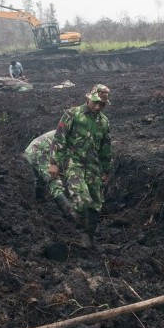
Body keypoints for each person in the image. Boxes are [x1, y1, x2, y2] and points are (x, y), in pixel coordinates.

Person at [49, 84, 112, 249]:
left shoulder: (104, 122)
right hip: (74, 162)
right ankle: (82, 233)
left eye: (102, 104)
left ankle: (90, 237)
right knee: (82, 200)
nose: (98, 107)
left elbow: (106, 148)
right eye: (95, 103)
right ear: (88, 98)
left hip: (93, 166)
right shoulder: (72, 114)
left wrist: (106, 170)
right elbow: (59, 139)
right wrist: (54, 163)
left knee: (96, 203)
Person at [23, 130, 78, 222]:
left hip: (33, 149)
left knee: (41, 178)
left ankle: (40, 201)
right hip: (39, 151)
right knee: (53, 181)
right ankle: (71, 214)